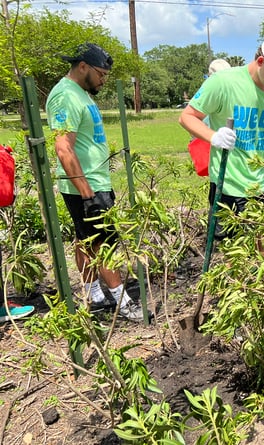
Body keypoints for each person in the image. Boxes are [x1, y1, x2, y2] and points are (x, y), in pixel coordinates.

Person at [46, 43, 144, 322]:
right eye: (101, 73)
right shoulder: (64, 96)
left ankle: (95, 295)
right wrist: (87, 194)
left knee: (85, 239)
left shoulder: (81, 94)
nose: (103, 79)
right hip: (85, 186)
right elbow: (64, 148)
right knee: (103, 243)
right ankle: (123, 302)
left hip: (93, 182)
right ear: (83, 67)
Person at [179, 35, 264, 260]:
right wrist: (213, 136)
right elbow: (187, 117)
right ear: (261, 61)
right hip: (230, 185)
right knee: (234, 255)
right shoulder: (223, 82)